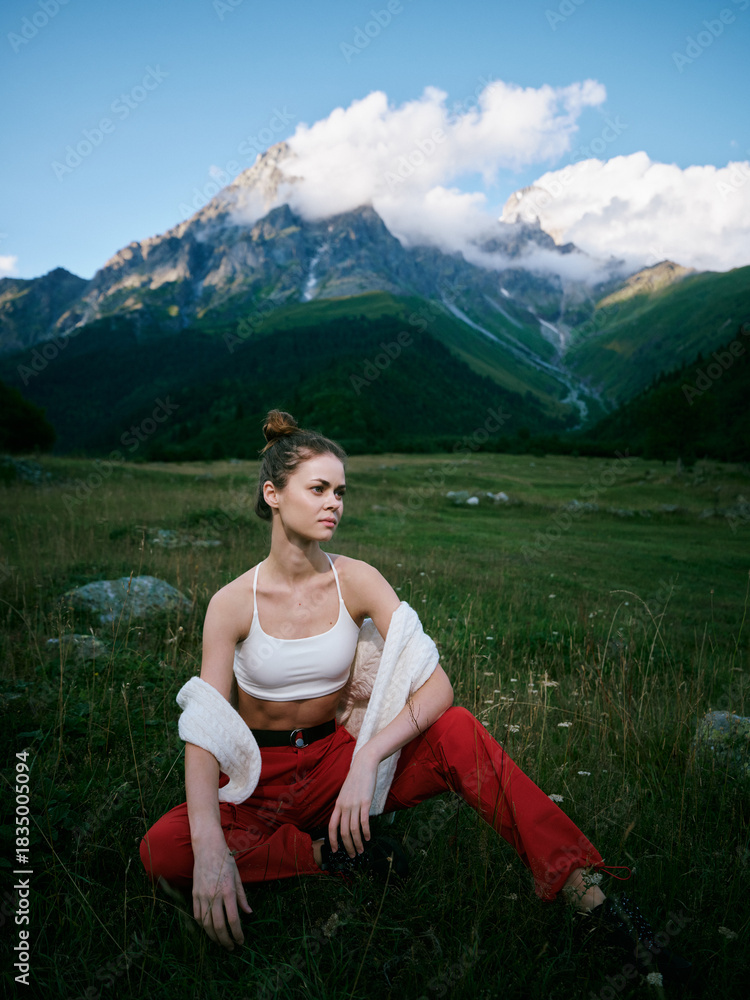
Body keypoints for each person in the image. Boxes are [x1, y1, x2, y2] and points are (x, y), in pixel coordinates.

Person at [139, 410, 688, 981]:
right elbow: (205, 728)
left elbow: (438, 685)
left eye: (340, 492)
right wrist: (210, 846)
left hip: (338, 763)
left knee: (457, 729)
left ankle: (589, 897)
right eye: (319, 489)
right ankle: (328, 856)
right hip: (259, 779)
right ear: (273, 494)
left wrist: (369, 757)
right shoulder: (231, 602)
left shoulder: (357, 579)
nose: (334, 504)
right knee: (163, 850)